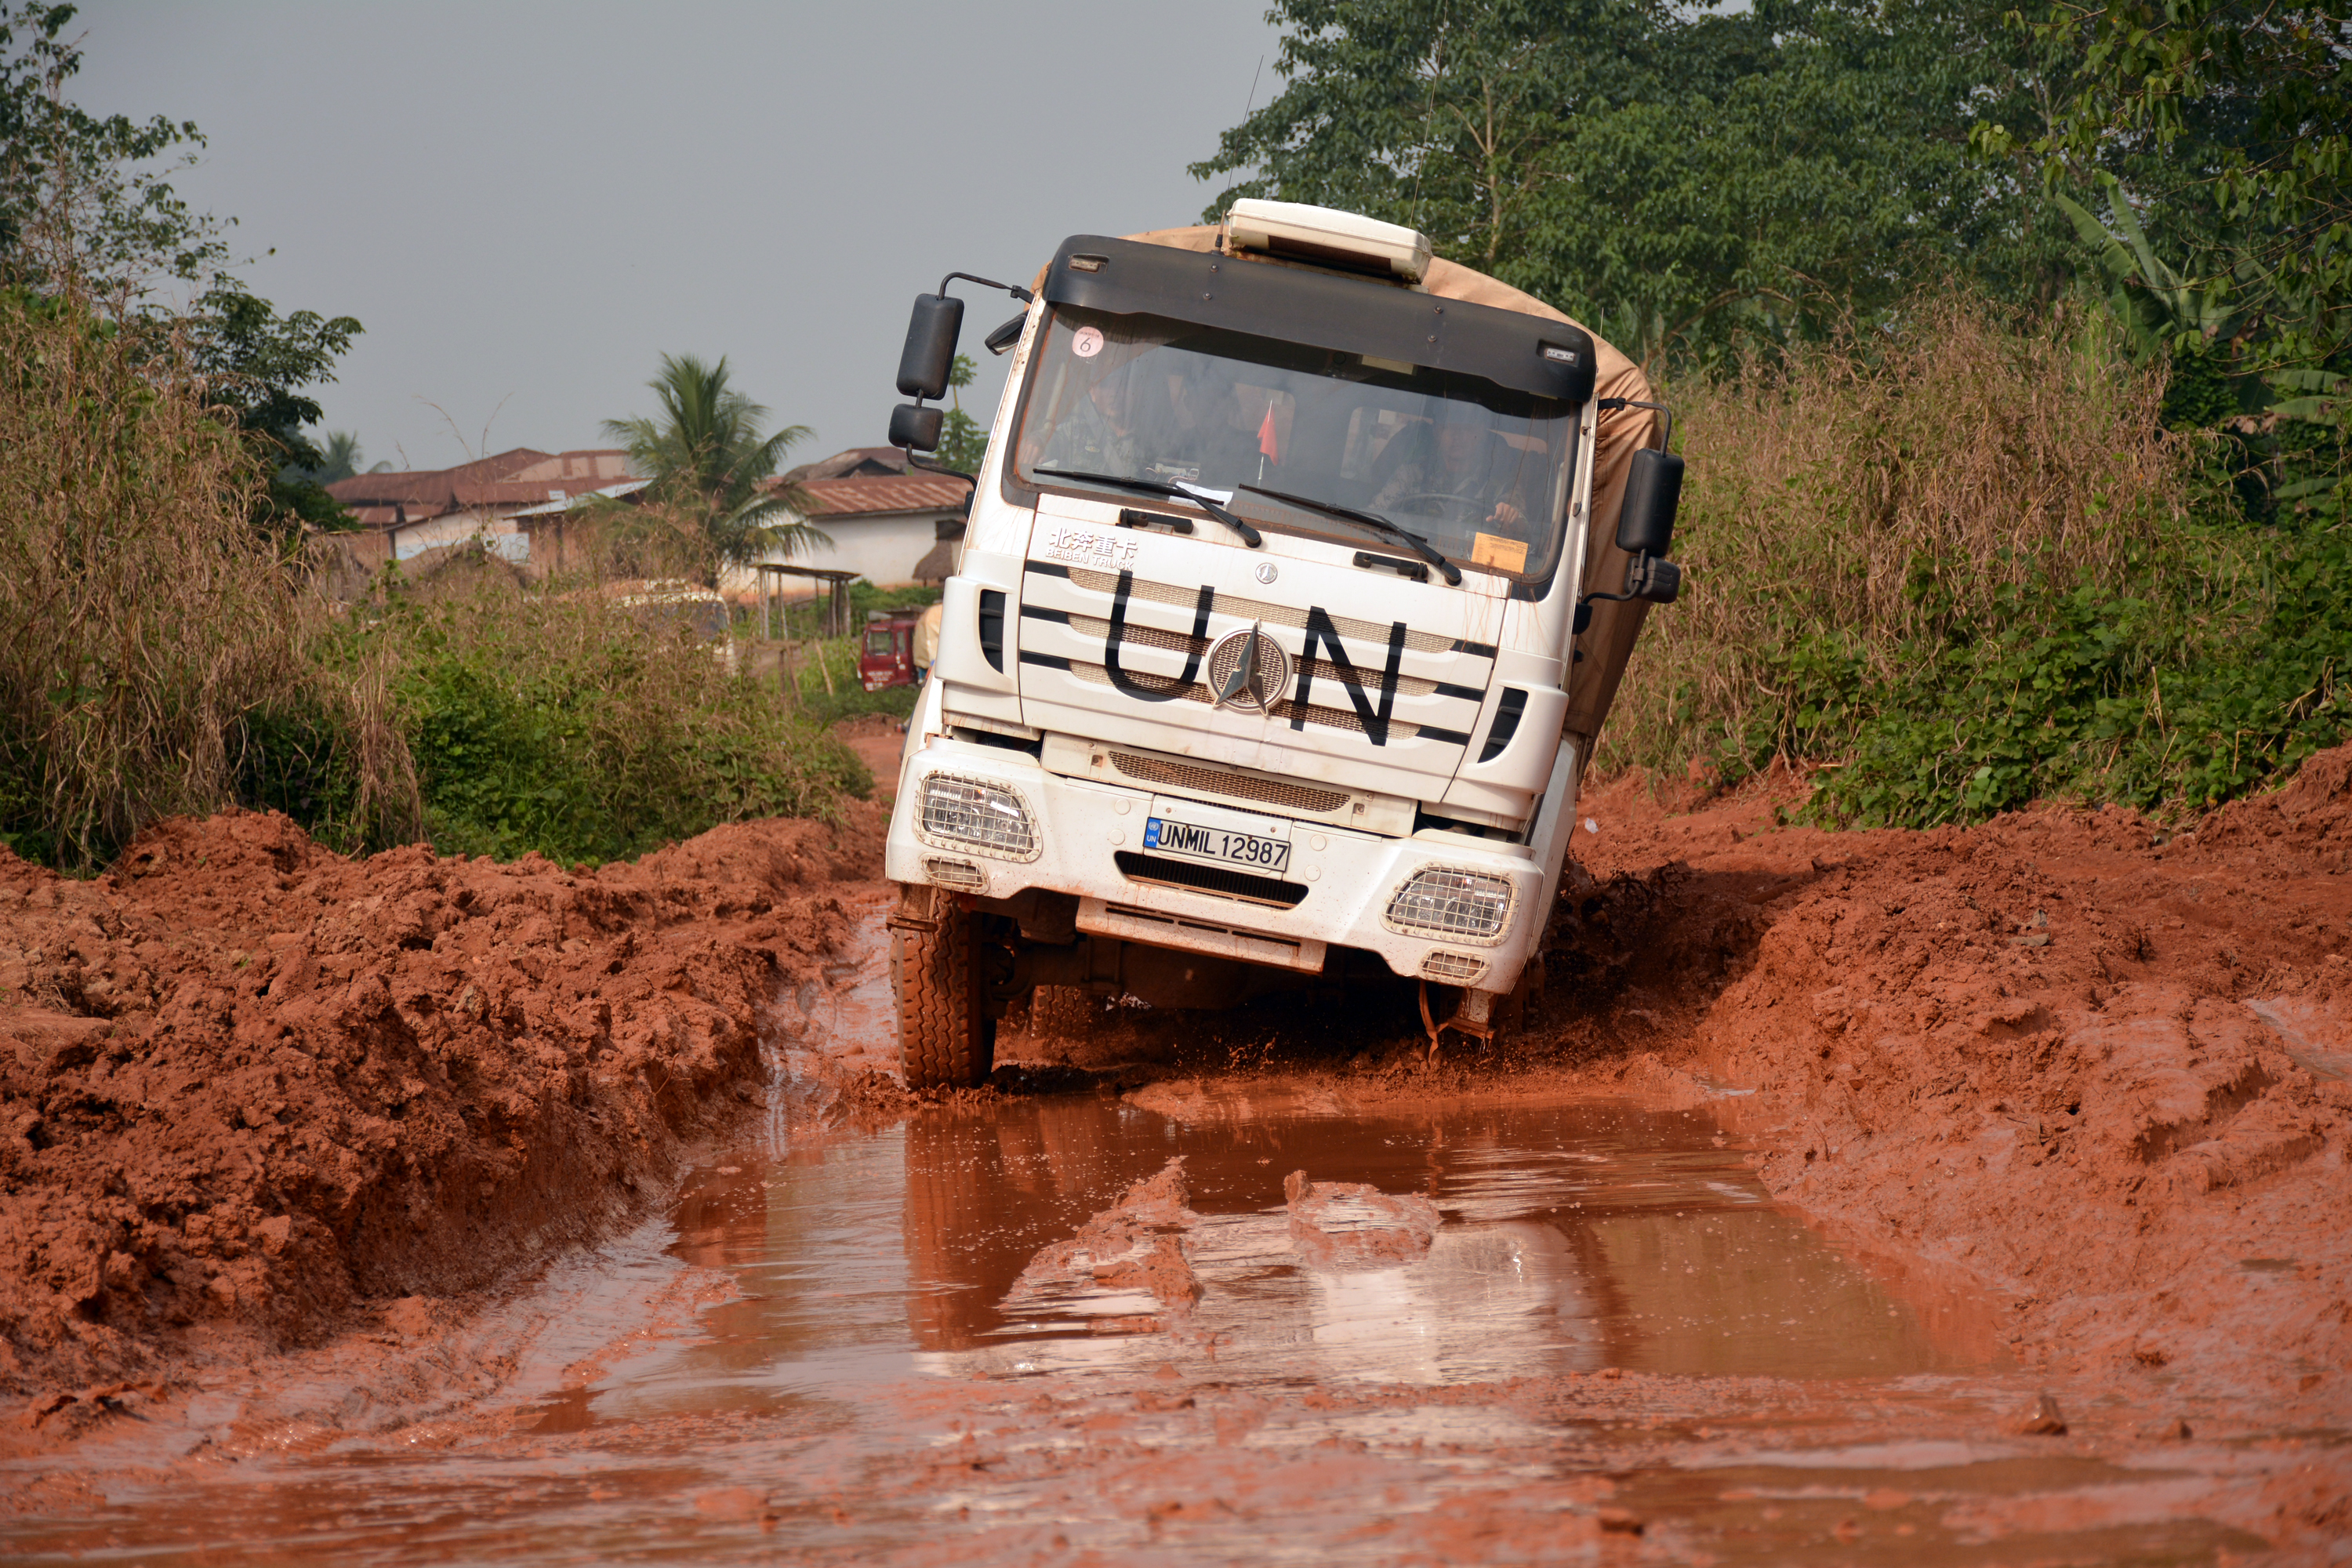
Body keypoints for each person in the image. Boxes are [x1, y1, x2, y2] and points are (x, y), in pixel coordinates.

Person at [1369, 412, 1535, 530]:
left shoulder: (1501, 487)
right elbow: (1371, 517)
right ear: (1437, 433)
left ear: (1480, 435)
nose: (1457, 435)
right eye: (1449, 427)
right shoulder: (1410, 475)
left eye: (1467, 428)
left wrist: (1509, 518)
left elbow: (1521, 527)